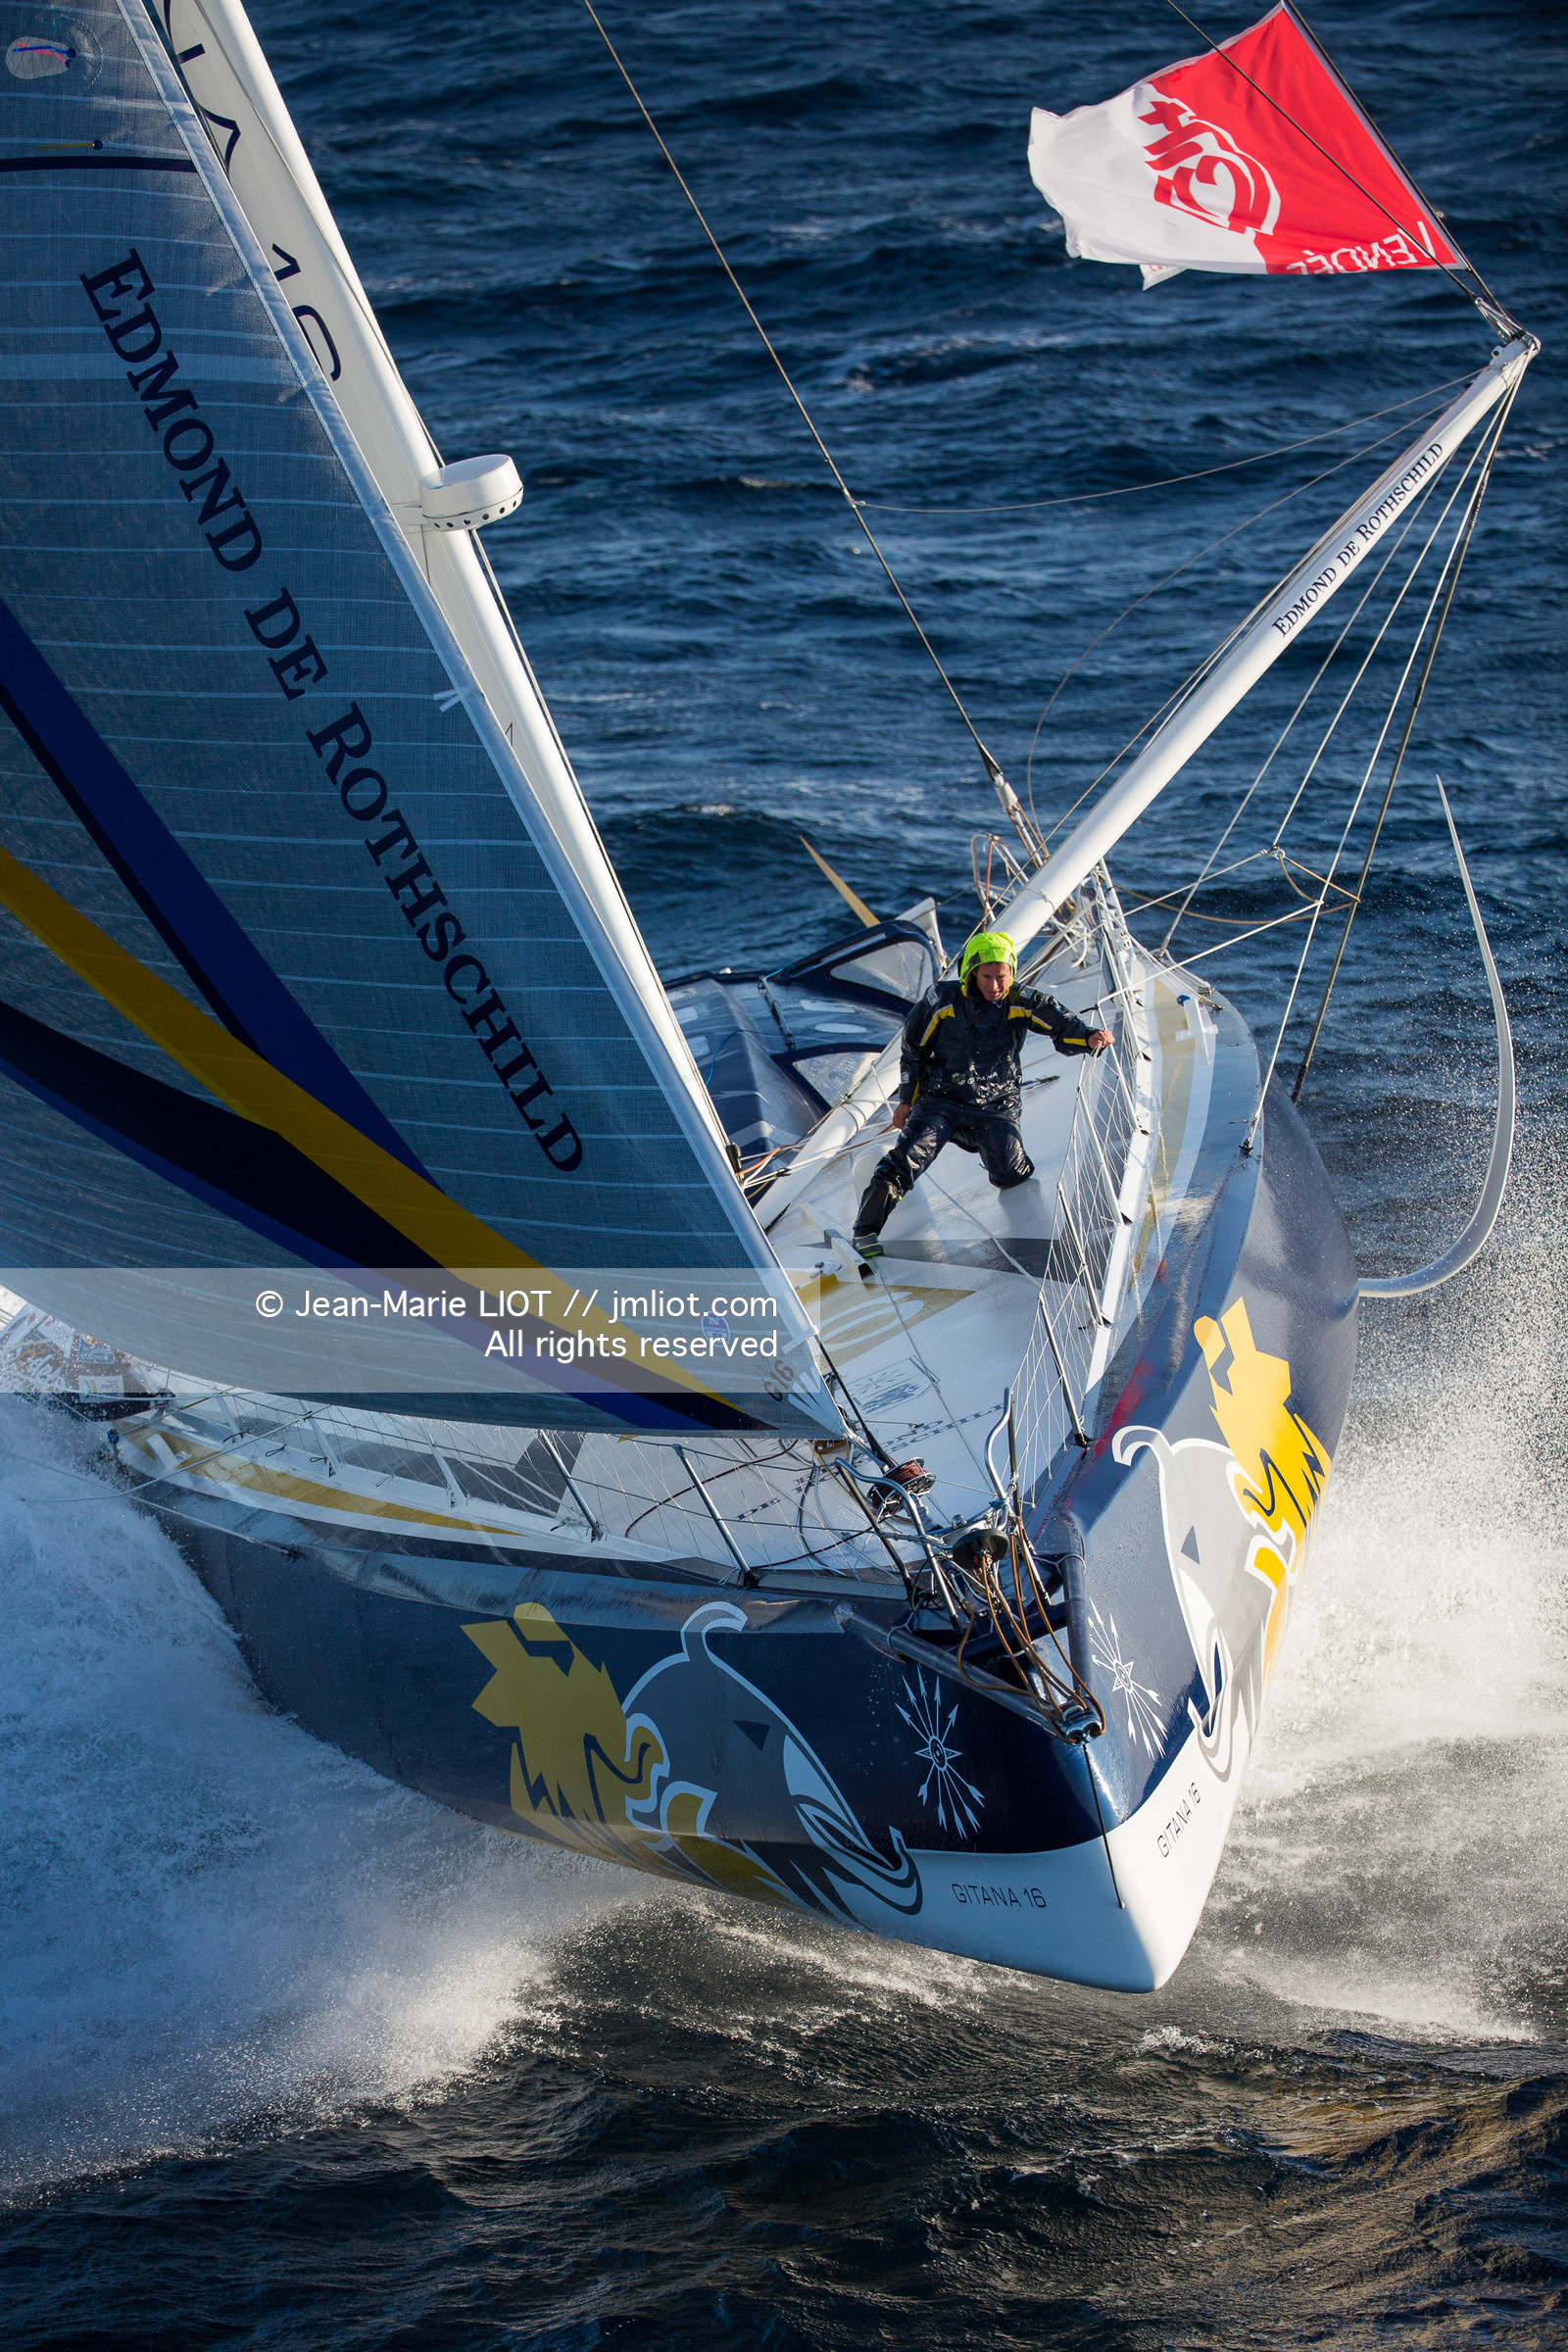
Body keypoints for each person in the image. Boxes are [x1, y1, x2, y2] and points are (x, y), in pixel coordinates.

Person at [852, 928, 1113, 1262]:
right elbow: (913, 1051)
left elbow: (1061, 1023)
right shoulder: (942, 1001)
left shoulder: (1022, 1001)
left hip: (997, 1104)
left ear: (1011, 973)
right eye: (986, 976)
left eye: (1001, 977)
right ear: (971, 973)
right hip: (941, 1099)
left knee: (1010, 1173)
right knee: (906, 1158)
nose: (994, 985)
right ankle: (865, 1230)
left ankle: (973, 1137)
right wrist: (906, 1100)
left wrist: (1089, 1037)